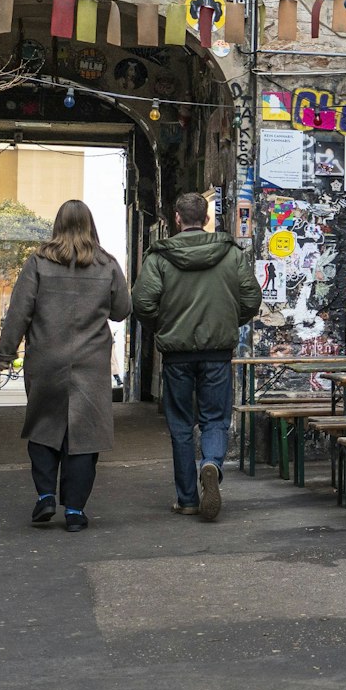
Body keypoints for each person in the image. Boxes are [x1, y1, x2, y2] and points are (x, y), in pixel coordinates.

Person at [0, 202, 132, 532]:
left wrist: (5, 353)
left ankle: (45, 495)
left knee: (43, 425)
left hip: (45, 359)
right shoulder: (107, 263)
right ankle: (74, 511)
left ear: (57, 224)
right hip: (90, 363)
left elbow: (19, 312)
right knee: (85, 435)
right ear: (90, 225)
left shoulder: (38, 262)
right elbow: (122, 310)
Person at [134, 192, 262, 521]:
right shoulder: (231, 254)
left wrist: (166, 326)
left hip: (176, 354)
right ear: (206, 219)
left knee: (180, 425)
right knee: (215, 419)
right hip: (217, 352)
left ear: (177, 218)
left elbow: (142, 303)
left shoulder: (159, 258)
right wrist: (227, 321)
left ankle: (187, 499)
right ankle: (212, 463)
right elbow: (251, 298)